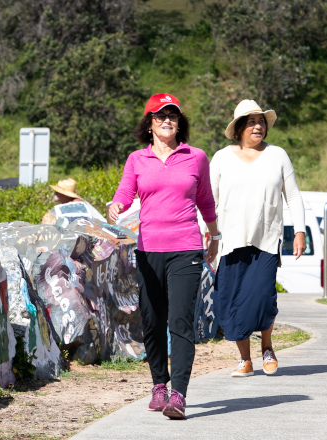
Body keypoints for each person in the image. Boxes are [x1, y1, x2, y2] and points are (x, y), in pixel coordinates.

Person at [108, 93, 220, 420]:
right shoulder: (136, 160)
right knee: (153, 320)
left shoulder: (196, 157)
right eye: (160, 116)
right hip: (148, 249)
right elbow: (125, 194)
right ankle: (159, 384)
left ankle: (179, 395)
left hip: (186, 247)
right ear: (150, 123)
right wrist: (116, 206)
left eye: (172, 115)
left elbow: (206, 201)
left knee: (180, 321)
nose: (167, 120)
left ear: (179, 122)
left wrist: (214, 235)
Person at [210, 99, 306, 378]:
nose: (258, 126)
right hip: (230, 241)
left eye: (261, 121)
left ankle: (267, 346)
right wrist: (209, 235)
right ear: (239, 127)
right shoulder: (221, 158)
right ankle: (244, 359)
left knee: (264, 297)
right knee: (232, 300)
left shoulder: (278, 155)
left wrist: (299, 231)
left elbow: (294, 196)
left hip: (266, 240)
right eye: (251, 121)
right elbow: (209, 202)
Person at [40, 178, 105, 225]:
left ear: (65, 195)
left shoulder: (77, 204)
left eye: (57, 192)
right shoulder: (71, 204)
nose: (55, 193)